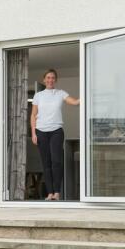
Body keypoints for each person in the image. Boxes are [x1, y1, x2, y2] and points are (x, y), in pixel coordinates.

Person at [30, 69, 80, 201]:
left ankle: (57, 192)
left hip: (56, 131)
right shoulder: (38, 96)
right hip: (41, 132)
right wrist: (33, 133)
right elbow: (33, 115)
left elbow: (74, 102)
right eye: (48, 77)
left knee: (56, 162)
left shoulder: (60, 93)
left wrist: (86, 95)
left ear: (55, 80)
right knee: (46, 163)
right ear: (44, 80)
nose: (50, 80)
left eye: (52, 78)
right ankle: (49, 193)